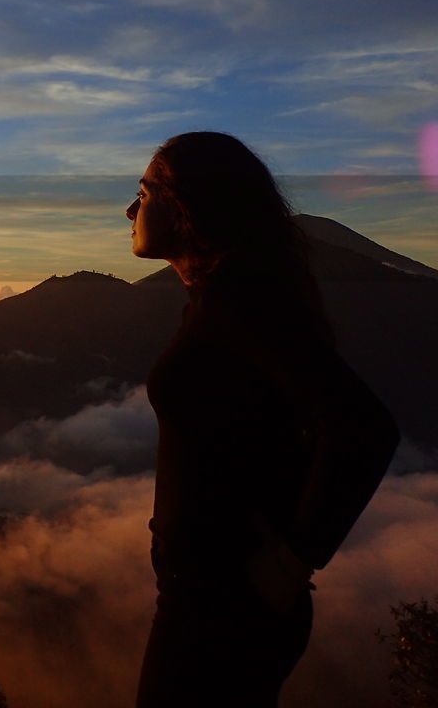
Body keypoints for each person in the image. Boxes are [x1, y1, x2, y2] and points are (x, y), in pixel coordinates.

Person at [126, 131, 400, 708]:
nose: (130, 209)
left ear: (186, 205)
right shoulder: (219, 297)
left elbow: (363, 428)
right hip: (209, 598)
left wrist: (293, 559)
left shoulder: (237, 301)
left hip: (220, 607)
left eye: (144, 192)